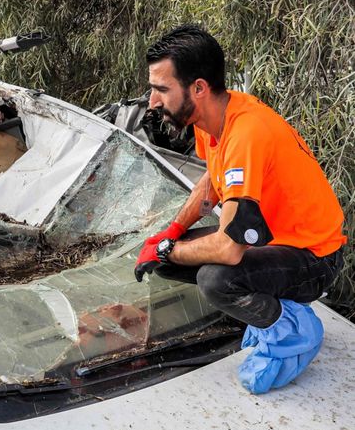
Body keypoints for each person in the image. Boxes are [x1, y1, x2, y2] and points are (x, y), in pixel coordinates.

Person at [135, 24, 346, 394]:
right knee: (170, 259)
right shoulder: (209, 118)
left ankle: (294, 330)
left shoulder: (247, 133)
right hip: (276, 242)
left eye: (161, 90)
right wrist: (171, 232)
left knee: (216, 278)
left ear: (198, 88)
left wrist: (169, 248)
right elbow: (211, 183)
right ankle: (272, 311)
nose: (152, 101)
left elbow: (230, 248)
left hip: (315, 257)